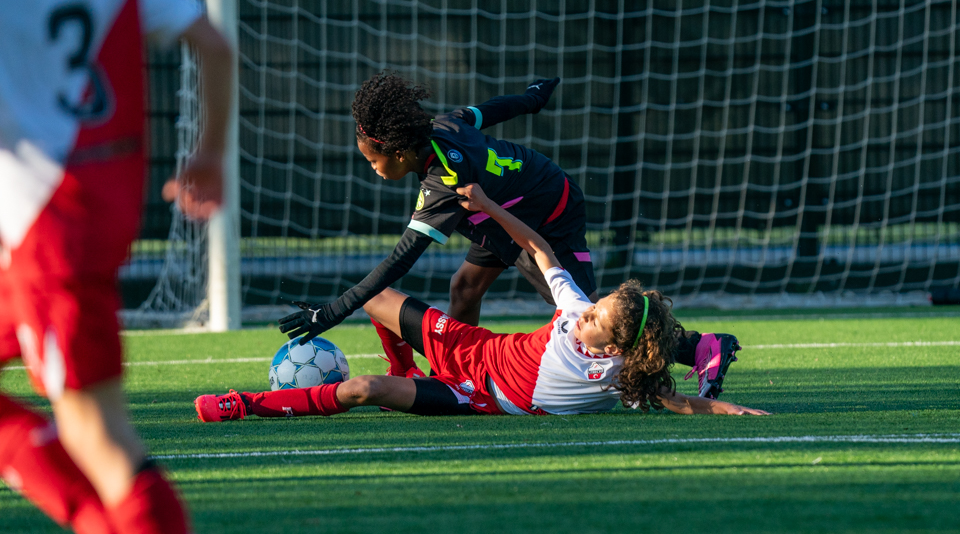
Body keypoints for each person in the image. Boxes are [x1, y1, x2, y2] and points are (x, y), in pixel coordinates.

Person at [280, 71, 740, 399]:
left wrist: (333, 311)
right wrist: (531, 98)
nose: (373, 169)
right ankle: (452, 377)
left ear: (398, 153)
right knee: (464, 287)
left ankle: (699, 345)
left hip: (545, 212)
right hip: (503, 208)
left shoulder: (444, 183)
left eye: (373, 160)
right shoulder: (441, 127)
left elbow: (397, 263)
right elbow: (488, 111)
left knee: (584, 311)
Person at [0, 0, 233, 532]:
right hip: (84, 222)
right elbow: (214, 45)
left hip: (47, 237)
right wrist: (209, 155)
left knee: (99, 435)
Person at [195, 184, 768, 422]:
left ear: (616, 346)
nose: (587, 311)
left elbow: (682, 403)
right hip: (472, 347)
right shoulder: (576, 310)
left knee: (363, 389)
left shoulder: (620, 377)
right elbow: (539, 248)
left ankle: (243, 405)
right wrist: (490, 206)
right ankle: (406, 367)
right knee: (377, 299)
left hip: (475, 394)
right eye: (596, 307)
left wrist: (732, 411)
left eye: (597, 318)